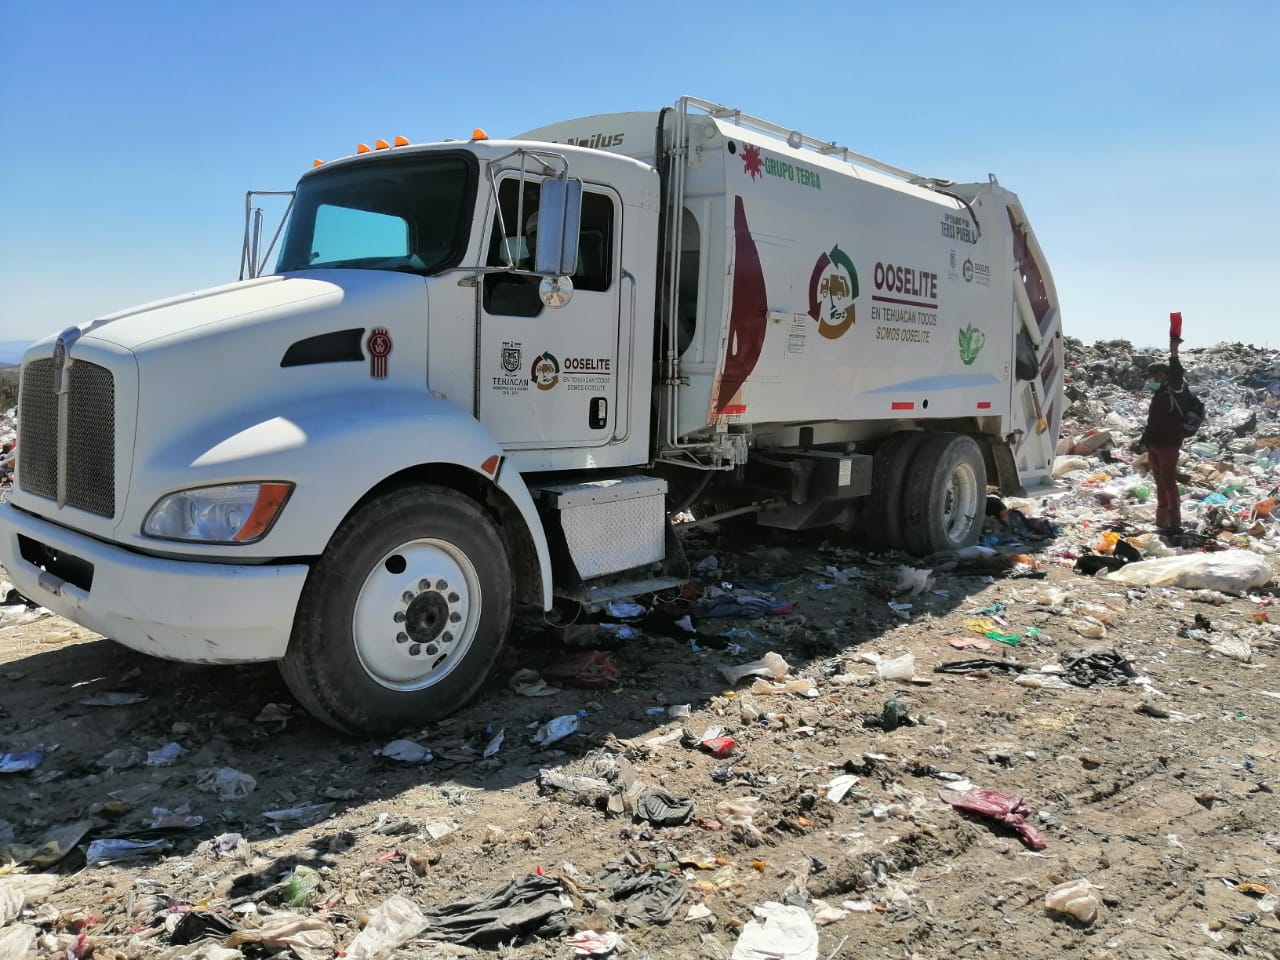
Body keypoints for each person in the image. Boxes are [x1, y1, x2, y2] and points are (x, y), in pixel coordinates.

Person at [1137, 335, 1186, 537]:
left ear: (1164, 375)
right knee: (1159, 481)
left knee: (1168, 481)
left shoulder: (1175, 389)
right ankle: (1162, 522)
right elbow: (1154, 421)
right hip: (1154, 444)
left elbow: (1176, 373)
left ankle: (1175, 523)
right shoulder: (1159, 394)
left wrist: (1173, 351)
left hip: (1168, 444)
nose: (1151, 380)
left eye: (1154, 375)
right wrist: (1144, 439)